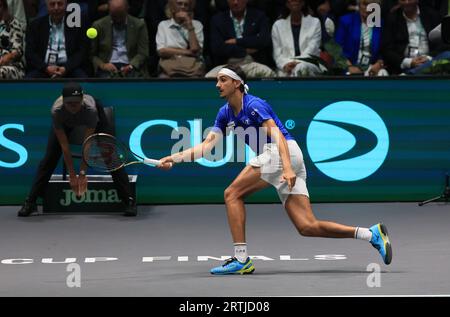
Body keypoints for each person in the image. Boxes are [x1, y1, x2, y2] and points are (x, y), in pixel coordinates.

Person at [159, 65, 392, 274]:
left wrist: (288, 168)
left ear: (237, 83)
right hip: (284, 158)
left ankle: (241, 260)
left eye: (222, 80)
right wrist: (173, 158)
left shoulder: (254, 105)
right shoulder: (225, 113)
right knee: (307, 226)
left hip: (283, 153)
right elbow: (206, 147)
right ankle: (370, 234)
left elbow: (278, 135)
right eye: (217, 81)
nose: (217, 84)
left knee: (232, 194)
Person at [18, 82, 137, 217]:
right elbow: (64, 146)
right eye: (69, 103)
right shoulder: (57, 111)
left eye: (76, 102)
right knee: (49, 159)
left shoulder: (91, 110)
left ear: (82, 99)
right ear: (63, 101)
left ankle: (129, 201)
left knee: (110, 157)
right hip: (65, 122)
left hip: (94, 120)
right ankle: (30, 202)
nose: (73, 106)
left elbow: (87, 144)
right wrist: (72, 175)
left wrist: (82, 174)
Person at [25, 0, 89, 78]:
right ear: (46, 6)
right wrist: (46, 68)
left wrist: (66, 68)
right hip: (44, 68)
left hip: (70, 68)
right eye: (52, 4)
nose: (56, 8)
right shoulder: (35, 26)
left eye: (60, 4)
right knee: (29, 80)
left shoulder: (77, 24)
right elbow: (30, 52)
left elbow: (82, 51)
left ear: (66, 4)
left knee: (83, 79)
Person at [91, 0, 149, 78]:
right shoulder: (98, 25)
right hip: (107, 66)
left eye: (120, 15)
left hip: (131, 66)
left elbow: (143, 53)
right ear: (109, 11)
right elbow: (92, 54)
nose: (118, 19)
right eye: (114, 16)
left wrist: (131, 66)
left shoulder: (139, 25)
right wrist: (103, 65)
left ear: (127, 9)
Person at [271, 0, 326, 77]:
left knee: (300, 68)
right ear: (287, 4)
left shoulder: (315, 22)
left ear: (303, 3)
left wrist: (295, 63)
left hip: (309, 63)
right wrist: (285, 65)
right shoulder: (277, 25)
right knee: (280, 75)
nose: (294, 2)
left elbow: (312, 49)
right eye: (291, 0)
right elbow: (277, 54)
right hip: (285, 64)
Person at [335, 0, 388, 76]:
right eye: (365, 4)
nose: (368, 8)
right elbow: (337, 50)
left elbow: (384, 50)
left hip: (371, 68)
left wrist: (379, 63)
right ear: (359, 4)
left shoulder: (381, 24)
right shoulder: (346, 21)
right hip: (349, 67)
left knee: (382, 74)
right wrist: (350, 67)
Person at [156, 0, 205, 77]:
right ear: (172, 7)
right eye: (179, 4)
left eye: (186, 5)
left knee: (196, 78)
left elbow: (195, 49)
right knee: (163, 78)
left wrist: (189, 25)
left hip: (191, 66)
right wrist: (188, 52)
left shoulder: (197, 24)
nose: (183, 7)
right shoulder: (163, 25)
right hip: (169, 65)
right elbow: (161, 51)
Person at [0, 0, 26, 79]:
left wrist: (7, 57)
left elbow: (17, 51)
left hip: (12, 66)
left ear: (4, 7)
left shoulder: (13, 24)